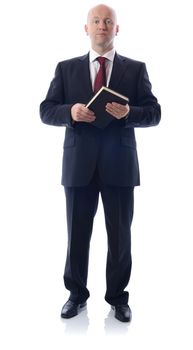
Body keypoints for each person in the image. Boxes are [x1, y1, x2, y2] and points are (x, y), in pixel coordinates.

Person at [40, 3, 161, 322]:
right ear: (86, 28)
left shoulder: (135, 69)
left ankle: (118, 298)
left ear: (117, 29)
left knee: (120, 236)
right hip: (78, 165)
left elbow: (154, 113)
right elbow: (45, 109)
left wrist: (129, 113)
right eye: (96, 21)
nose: (102, 25)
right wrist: (70, 112)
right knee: (76, 234)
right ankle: (76, 295)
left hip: (120, 166)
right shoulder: (66, 68)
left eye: (109, 21)